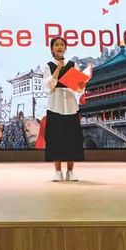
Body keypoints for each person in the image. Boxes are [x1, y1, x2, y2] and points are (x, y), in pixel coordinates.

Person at [42, 36, 85, 182]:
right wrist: (59, 68)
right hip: (55, 105)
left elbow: (79, 88)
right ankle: (58, 171)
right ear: (52, 49)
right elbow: (49, 85)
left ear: (65, 48)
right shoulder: (49, 65)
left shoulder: (72, 65)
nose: (59, 47)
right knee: (56, 139)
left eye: (62, 44)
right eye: (56, 45)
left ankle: (70, 171)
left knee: (72, 139)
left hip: (71, 106)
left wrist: (80, 84)